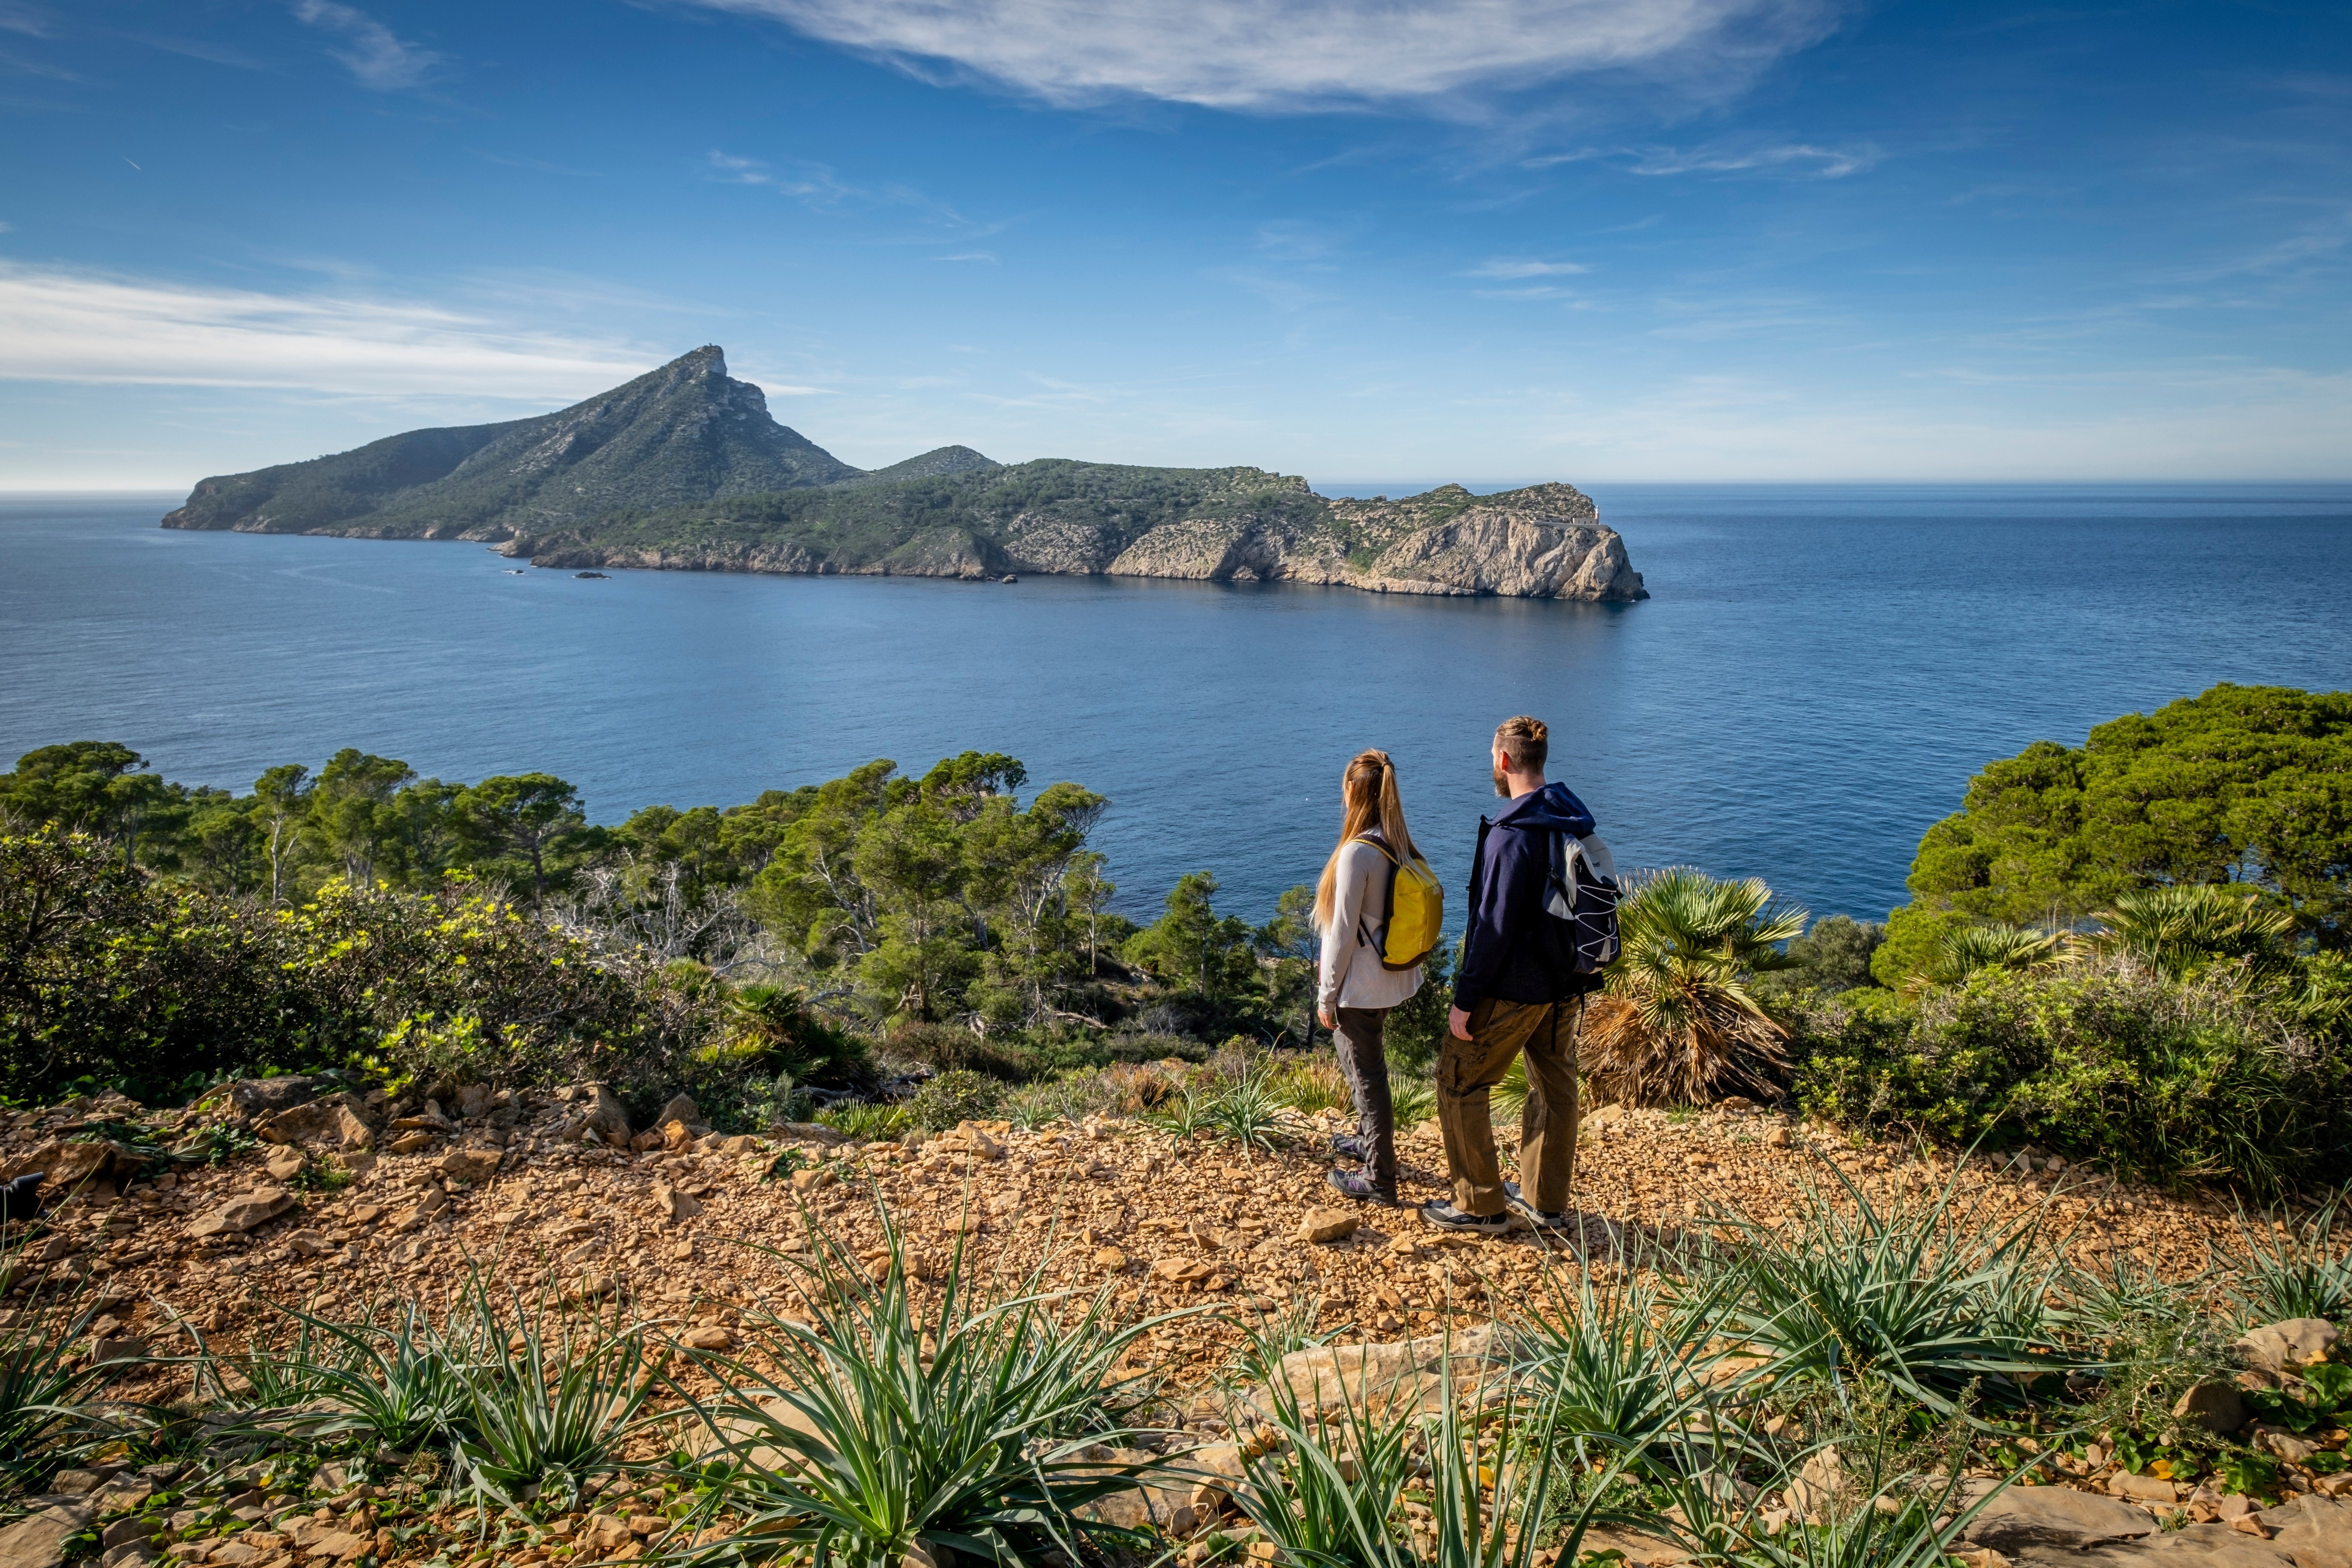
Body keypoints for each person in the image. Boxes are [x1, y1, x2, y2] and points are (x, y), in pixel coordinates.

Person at [1423, 715, 1597, 1236]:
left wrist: (1465, 998)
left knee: (1459, 1082)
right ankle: (1545, 1202)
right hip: (1567, 984)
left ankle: (1478, 1205)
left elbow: (1491, 928)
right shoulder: (1571, 818)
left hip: (1515, 988)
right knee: (1555, 1087)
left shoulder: (1510, 834)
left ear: (1503, 761)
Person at [1314, 749, 1427, 1205]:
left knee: (1367, 1075)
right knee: (1363, 1067)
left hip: (1358, 988)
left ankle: (1380, 1177)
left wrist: (1326, 996)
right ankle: (1368, 1141)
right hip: (1391, 978)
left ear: (1352, 792)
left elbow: (1340, 934)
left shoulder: (1357, 853)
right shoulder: (1397, 841)